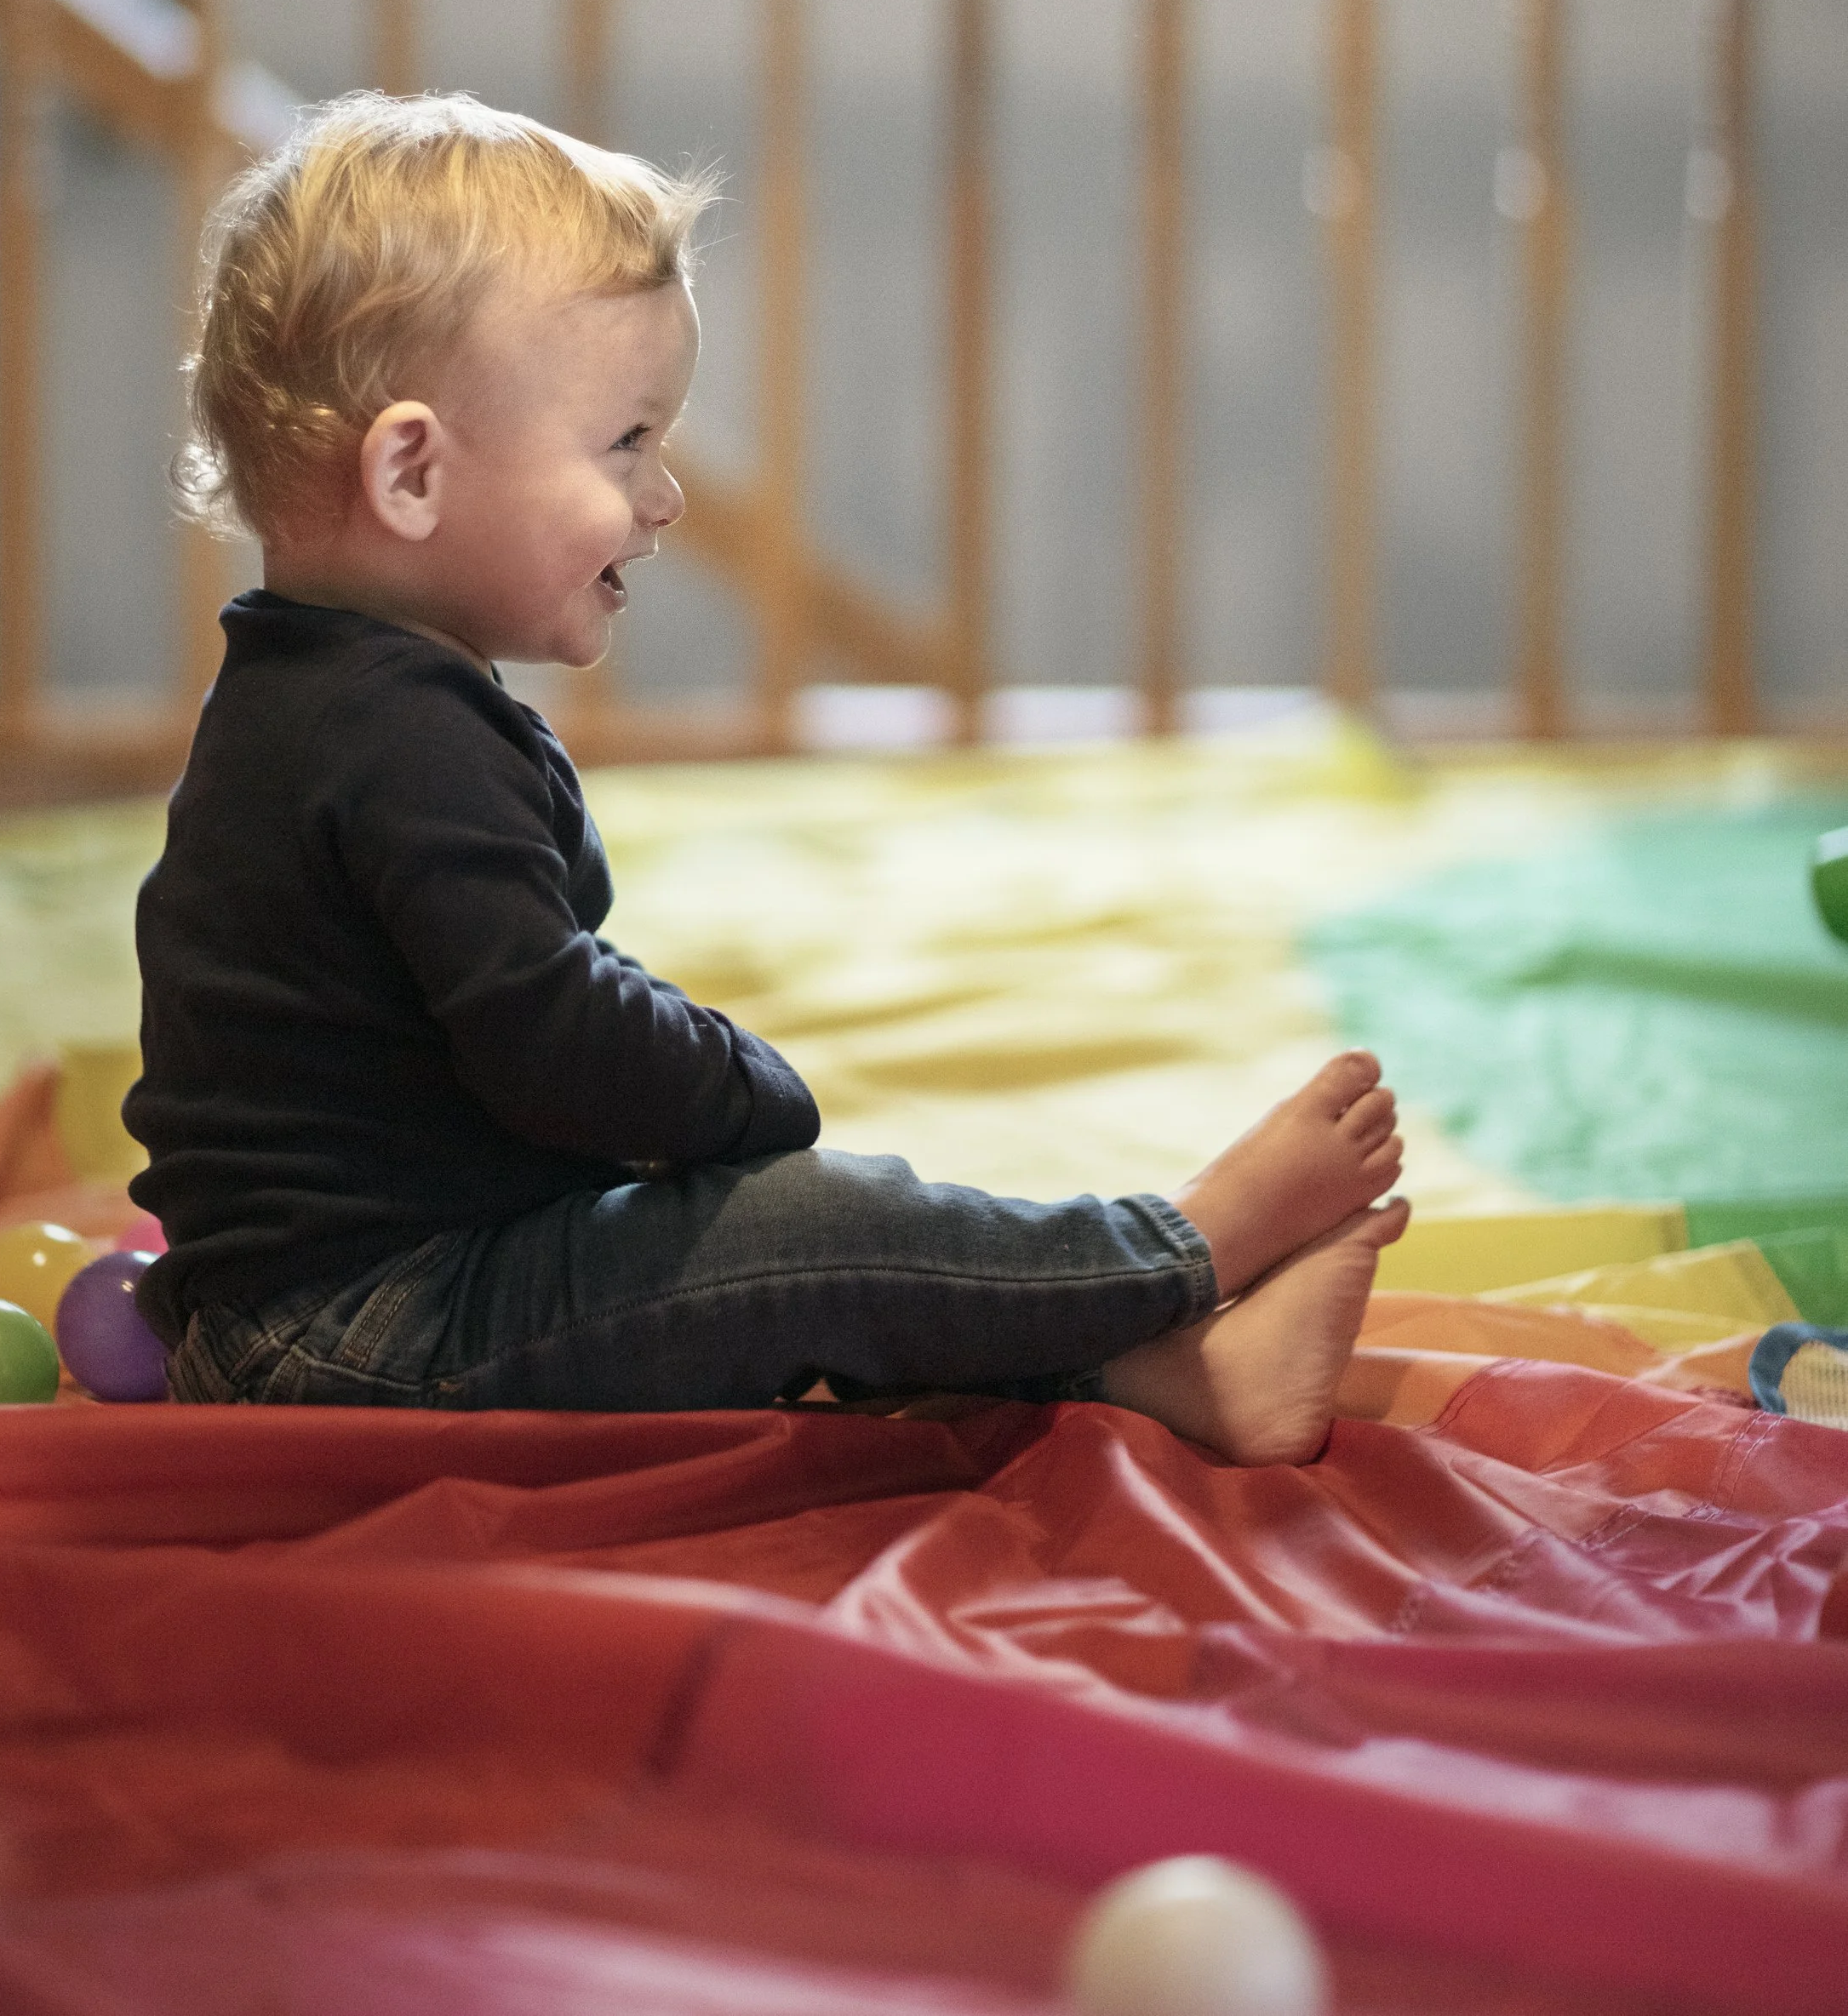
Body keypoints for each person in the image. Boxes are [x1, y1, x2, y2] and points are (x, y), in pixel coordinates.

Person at [127, 91, 1407, 1459]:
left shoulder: (309, 699)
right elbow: (554, 1034)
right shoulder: (395, 734)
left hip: (330, 1312)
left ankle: (1153, 1373)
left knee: (741, 1268)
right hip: (363, 1340)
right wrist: (748, 1096)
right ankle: (1183, 1249)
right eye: (626, 441)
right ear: (414, 473)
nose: (665, 495)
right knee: (802, 1227)